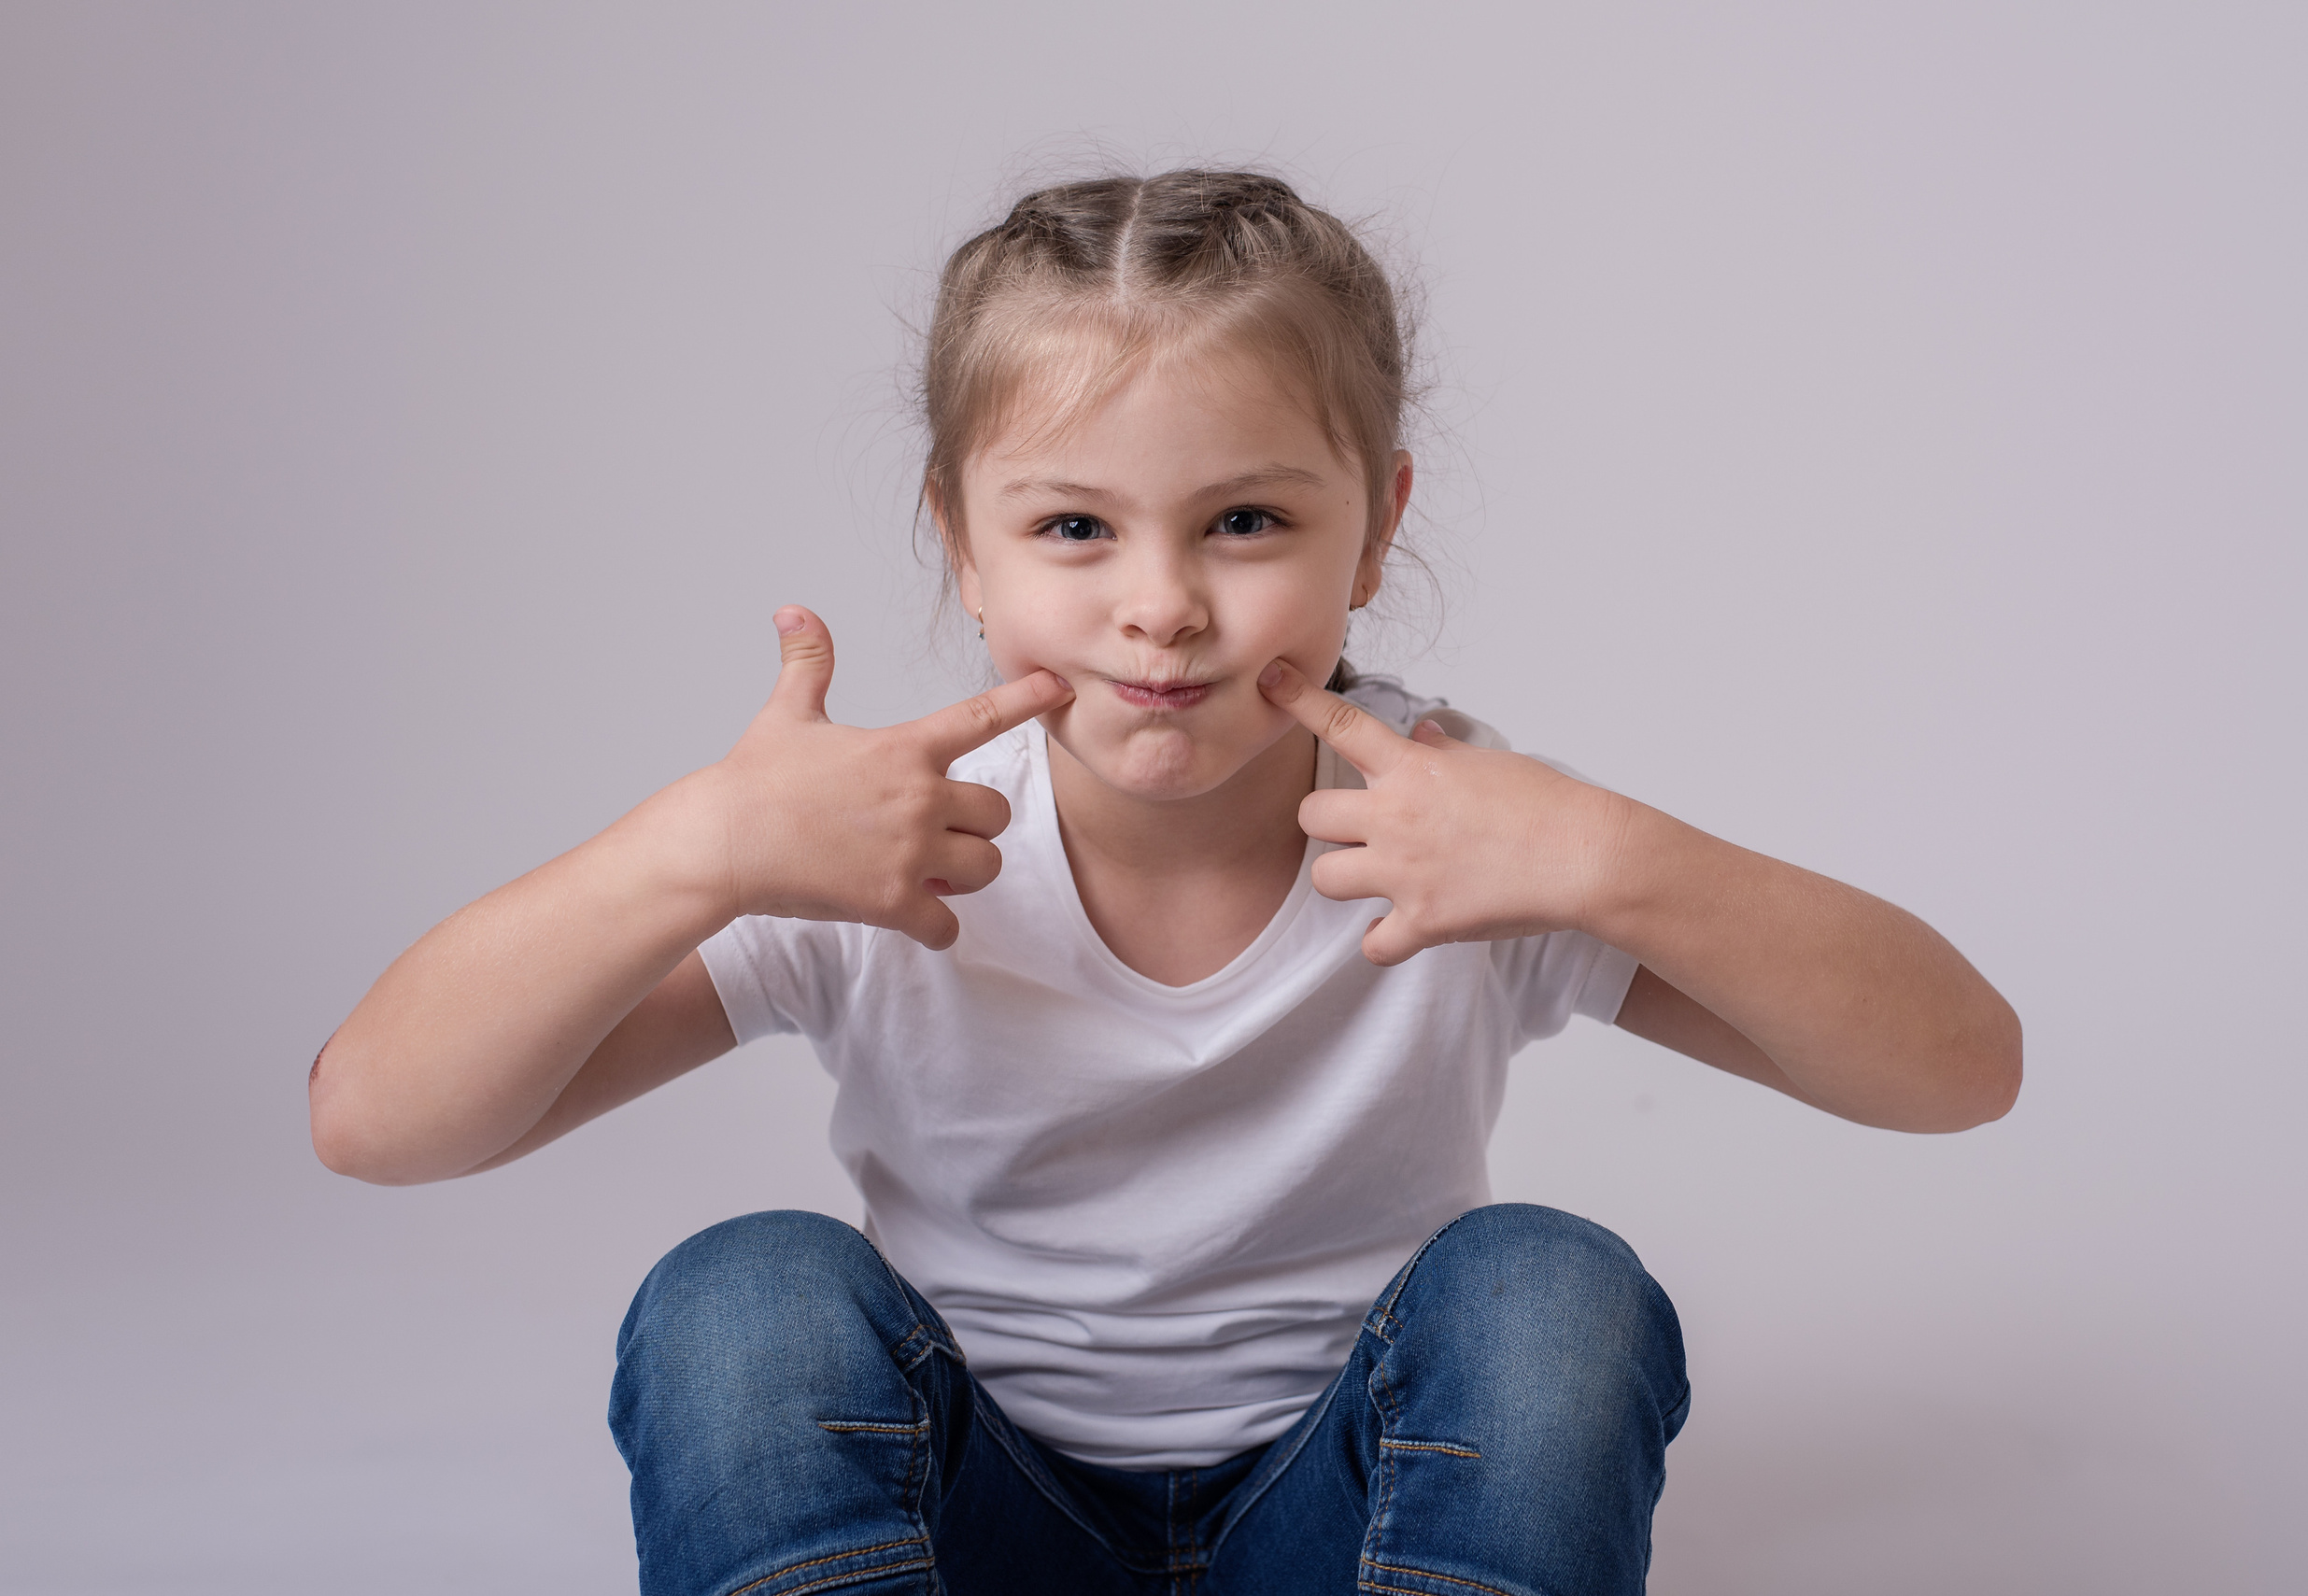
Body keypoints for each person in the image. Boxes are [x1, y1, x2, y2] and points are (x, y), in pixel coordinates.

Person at [310, 169, 2021, 1596]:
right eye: (1073, 529)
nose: (1163, 606)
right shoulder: (886, 835)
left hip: (1347, 1528)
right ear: (959, 545)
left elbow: (1959, 1070)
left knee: (1548, 1283)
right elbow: (378, 1120)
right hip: (967, 1526)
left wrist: (1607, 854)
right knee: (742, 1292)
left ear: (1377, 524)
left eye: (1247, 521)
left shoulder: (1452, 830)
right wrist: (688, 852)